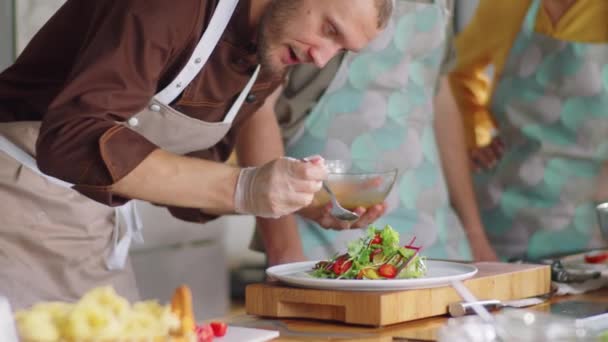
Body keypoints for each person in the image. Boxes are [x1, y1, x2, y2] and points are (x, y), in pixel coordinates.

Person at [0, 0, 392, 309]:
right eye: (328, 29)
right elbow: (70, 139)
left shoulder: (268, 55)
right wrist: (244, 188)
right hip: (15, 205)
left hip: (91, 224)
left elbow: (195, 181)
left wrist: (306, 202)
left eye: (341, 49)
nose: (322, 58)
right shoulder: (172, 7)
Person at [250, 0, 496, 264]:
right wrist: (284, 252)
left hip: (434, 230)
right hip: (320, 233)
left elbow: (439, 97)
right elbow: (256, 110)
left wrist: (475, 234)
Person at [449, 0, 608, 260]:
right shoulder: (507, 6)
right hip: (501, 220)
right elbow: (455, 74)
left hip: (593, 229)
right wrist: (472, 137)